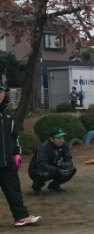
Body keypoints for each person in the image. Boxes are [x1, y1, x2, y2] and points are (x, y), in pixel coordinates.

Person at [0, 83, 42, 226]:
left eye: (1, 92)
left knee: (14, 191)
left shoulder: (7, 112)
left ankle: (21, 217)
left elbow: (13, 135)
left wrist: (16, 153)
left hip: (6, 161)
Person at [28, 128, 77, 195]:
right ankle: (36, 187)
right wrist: (56, 169)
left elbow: (68, 159)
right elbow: (41, 164)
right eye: (58, 138)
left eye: (62, 138)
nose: (61, 140)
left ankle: (54, 185)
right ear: (51, 139)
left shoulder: (64, 145)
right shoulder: (43, 147)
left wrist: (63, 165)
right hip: (37, 169)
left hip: (53, 166)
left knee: (72, 169)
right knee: (45, 174)